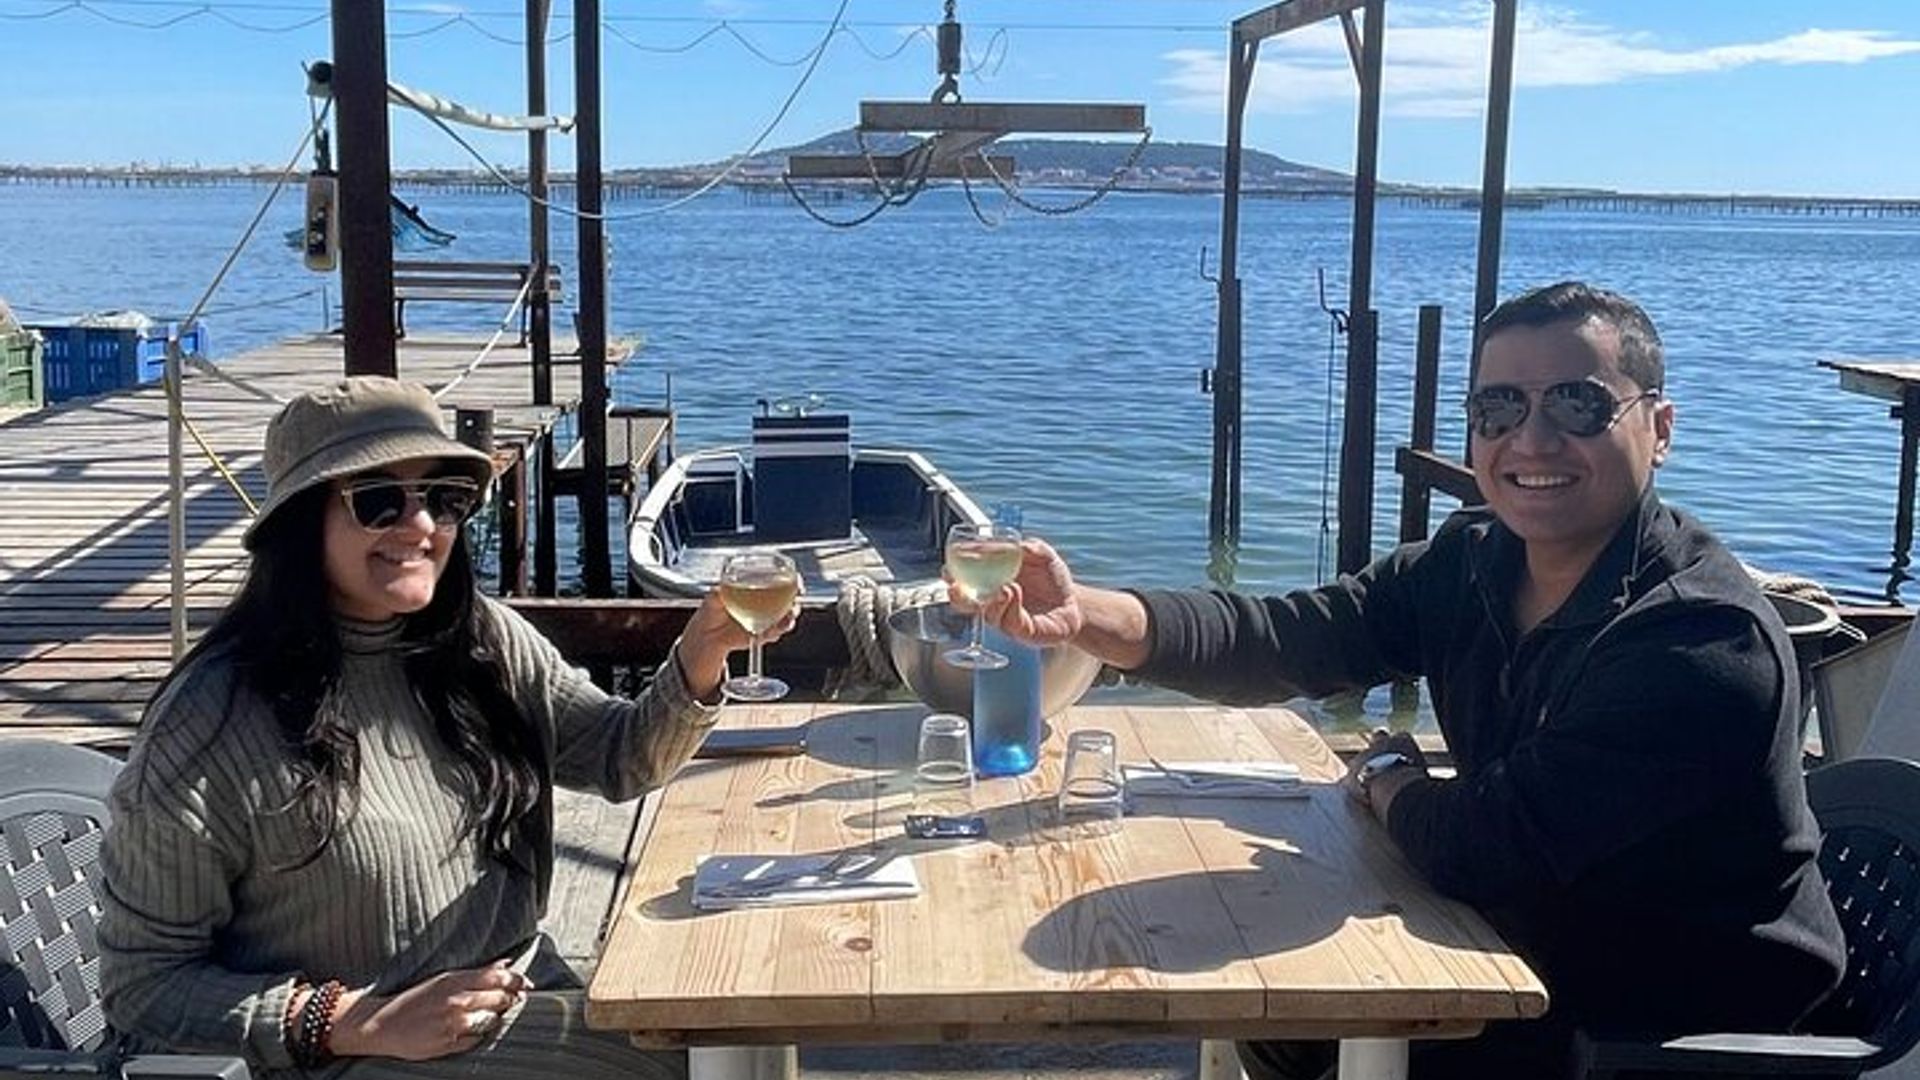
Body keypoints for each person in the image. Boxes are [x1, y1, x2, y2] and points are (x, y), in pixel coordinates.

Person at [967, 282, 1846, 1078]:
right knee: (1284, 1011)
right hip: (1528, 940)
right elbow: (1288, 639)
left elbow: (1484, 847)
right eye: (1498, 407)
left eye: (1578, 404)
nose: (1532, 438)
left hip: (1667, 1022)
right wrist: (1084, 613)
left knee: (1327, 1010)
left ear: (1658, 428)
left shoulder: (1699, 642)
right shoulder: (1472, 562)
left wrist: (1388, 781)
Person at [98, 375, 789, 1079]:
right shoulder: (208, 726)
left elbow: (622, 757)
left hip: (522, 1007)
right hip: (357, 1060)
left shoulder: (482, 643)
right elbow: (142, 989)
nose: (421, 526)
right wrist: (350, 1019)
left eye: (444, 499)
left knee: (742, 1033)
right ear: (302, 522)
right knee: (710, 1062)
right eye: (379, 501)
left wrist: (702, 653)